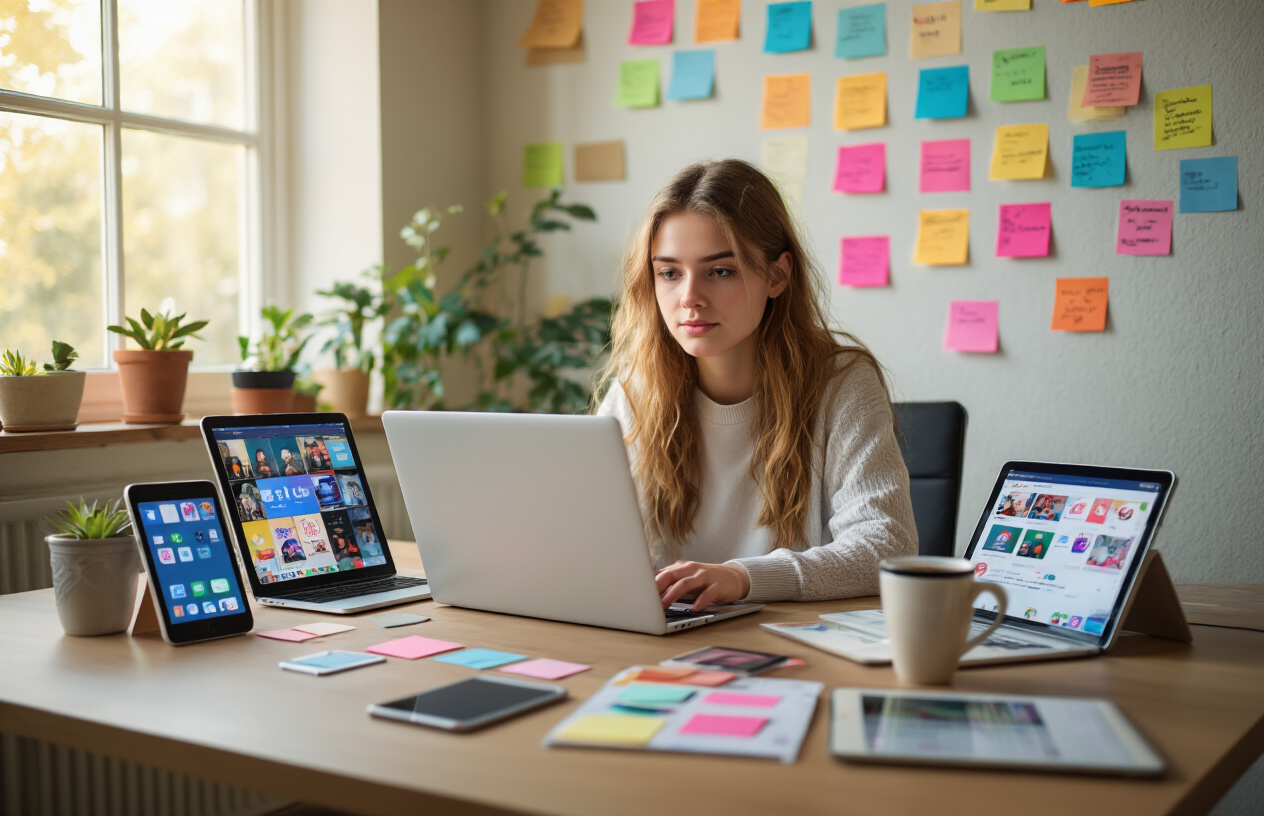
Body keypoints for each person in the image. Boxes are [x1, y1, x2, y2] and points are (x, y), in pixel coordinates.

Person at [595, 159, 917, 612]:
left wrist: (743, 577)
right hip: (664, 642)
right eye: (669, 273)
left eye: (720, 271)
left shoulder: (841, 384)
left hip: (796, 644)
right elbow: (585, 539)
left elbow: (887, 546)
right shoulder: (635, 389)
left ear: (777, 276)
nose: (689, 298)